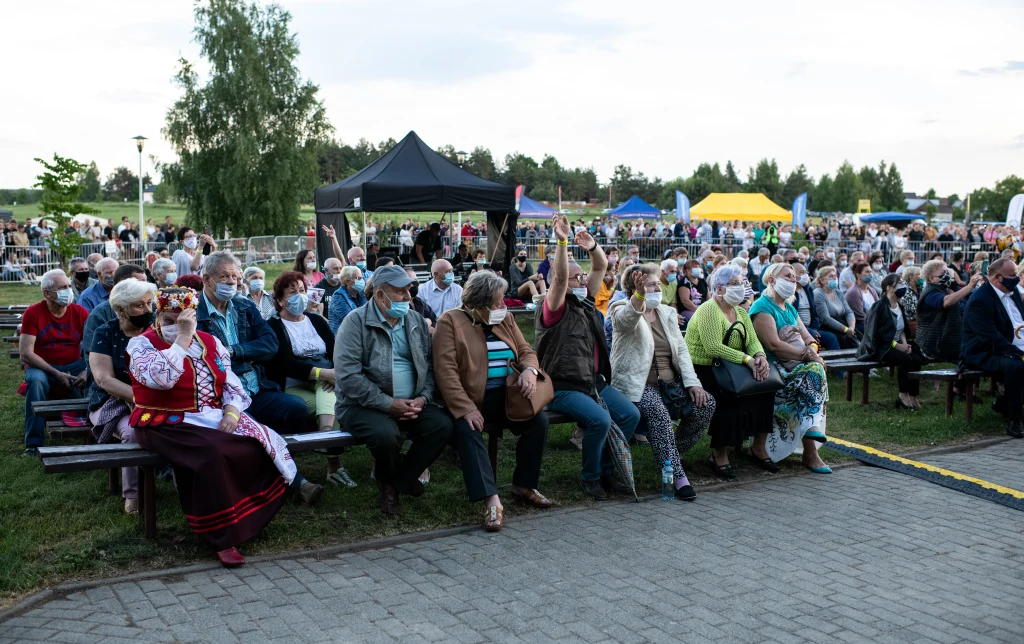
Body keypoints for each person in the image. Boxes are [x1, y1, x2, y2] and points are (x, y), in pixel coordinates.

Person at [127, 287, 322, 568]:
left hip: (207, 416)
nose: (176, 326)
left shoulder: (210, 342)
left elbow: (231, 384)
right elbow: (162, 379)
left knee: (253, 446)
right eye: (169, 320)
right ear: (158, 317)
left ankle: (246, 518)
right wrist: (182, 337)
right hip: (163, 422)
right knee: (212, 454)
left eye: (183, 320)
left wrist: (231, 412)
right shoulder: (141, 345)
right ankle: (220, 535)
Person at [433, 270, 552, 531]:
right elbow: (446, 372)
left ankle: (523, 485)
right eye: (497, 302)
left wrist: (530, 371)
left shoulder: (505, 318)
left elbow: (526, 350)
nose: (502, 307)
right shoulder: (450, 321)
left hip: (508, 396)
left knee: (538, 422)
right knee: (468, 428)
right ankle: (491, 499)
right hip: (472, 400)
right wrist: (466, 409)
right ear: (479, 303)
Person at [334, 265, 455, 516]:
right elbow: (349, 378)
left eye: (409, 290)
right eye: (401, 291)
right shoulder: (354, 322)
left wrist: (423, 398)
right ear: (380, 295)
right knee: (386, 435)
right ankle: (389, 486)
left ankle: (399, 481)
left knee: (442, 425)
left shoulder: (415, 320)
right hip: (362, 405)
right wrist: (388, 404)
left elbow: (429, 366)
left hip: (411, 402)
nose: (408, 297)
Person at [536, 215, 639, 501]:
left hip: (593, 382)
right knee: (600, 420)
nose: (583, 279)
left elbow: (600, 267)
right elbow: (559, 278)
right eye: (577, 277)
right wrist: (562, 242)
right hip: (563, 386)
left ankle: (606, 471)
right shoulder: (553, 307)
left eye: (582, 275)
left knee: (630, 415)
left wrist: (593, 246)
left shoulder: (585, 301)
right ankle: (590, 478)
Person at [609, 264, 715, 500]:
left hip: (670, 384)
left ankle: (669, 454)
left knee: (706, 404)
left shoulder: (666, 312)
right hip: (638, 385)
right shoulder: (620, 307)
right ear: (634, 288)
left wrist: (693, 383)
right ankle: (676, 476)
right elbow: (626, 322)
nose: (657, 288)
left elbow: (681, 350)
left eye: (657, 284)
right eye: (650, 285)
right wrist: (639, 298)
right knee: (658, 414)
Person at [196, 251, 308, 430]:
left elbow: (270, 344)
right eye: (224, 276)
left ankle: (281, 448)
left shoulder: (245, 306)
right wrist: (250, 355)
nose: (232, 282)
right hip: (221, 398)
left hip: (256, 390)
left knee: (296, 407)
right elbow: (206, 359)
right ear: (207, 279)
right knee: (247, 427)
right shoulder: (194, 314)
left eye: (235, 276)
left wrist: (232, 351)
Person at [685, 265, 774, 478]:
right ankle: (720, 453)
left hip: (732, 366)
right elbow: (713, 347)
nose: (740, 287)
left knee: (765, 389)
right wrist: (747, 360)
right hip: (704, 368)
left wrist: (760, 357)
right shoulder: (709, 309)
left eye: (741, 283)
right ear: (719, 288)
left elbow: (752, 341)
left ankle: (757, 447)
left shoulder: (740, 311)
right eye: (734, 284)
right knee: (727, 395)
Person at [750, 263, 831, 471]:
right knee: (814, 372)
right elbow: (774, 345)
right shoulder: (762, 307)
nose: (793, 280)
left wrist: (812, 350)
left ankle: (811, 445)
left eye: (794, 277)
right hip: (773, 370)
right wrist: (808, 356)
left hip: (796, 366)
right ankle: (810, 447)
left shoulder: (790, 308)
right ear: (771, 280)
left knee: (814, 373)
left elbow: (809, 338)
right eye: (787, 276)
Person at [88, 278, 157, 514]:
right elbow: (104, 380)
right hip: (112, 401)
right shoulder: (106, 332)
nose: (148, 310)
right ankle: (133, 495)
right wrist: (143, 399)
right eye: (139, 305)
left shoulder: (155, 330)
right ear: (120, 309)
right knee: (133, 431)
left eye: (149, 303)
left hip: (155, 398)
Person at [19, 269, 90, 456]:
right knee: (36, 381)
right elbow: (26, 354)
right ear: (47, 293)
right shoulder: (33, 313)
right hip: (41, 364)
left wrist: (88, 370)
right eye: (63, 287)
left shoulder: (80, 312)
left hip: (73, 363)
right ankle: (33, 443)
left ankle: (95, 430)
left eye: (69, 286)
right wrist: (56, 373)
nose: (69, 291)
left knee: (98, 376)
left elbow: (94, 349)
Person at [266, 272, 337, 433]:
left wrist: (334, 375)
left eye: (302, 290)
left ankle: (325, 436)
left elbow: (335, 351)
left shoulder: (316, 320)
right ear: (280, 300)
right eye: (293, 292)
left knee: (328, 399)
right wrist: (323, 374)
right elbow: (286, 364)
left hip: (325, 381)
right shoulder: (273, 326)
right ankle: (328, 436)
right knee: (333, 406)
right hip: (293, 384)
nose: (299, 296)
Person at [962, 259, 1024, 437]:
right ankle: (1014, 419)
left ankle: (1005, 403)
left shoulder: (1012, 292)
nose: (1016, 278)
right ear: (997, 277)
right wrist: (1019, 353)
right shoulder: (980, 300)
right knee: (1016, 366)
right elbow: (990, 338)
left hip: (1012, 345)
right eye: (1012, 275)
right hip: (983, 352)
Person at [858, 274, 924, 410]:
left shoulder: (899, 306)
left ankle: (913, 396)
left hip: (896, 344)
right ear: (889, 288)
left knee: (916, 359)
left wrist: (904, 344)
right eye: (899, 283)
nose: (903, 286)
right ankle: (903, 395)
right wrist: (897, 346)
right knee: (905, 359)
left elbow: (902, 329)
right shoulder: (879, 307)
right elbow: (877, 335)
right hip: (880, 348)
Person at [917, 259, 982, 368]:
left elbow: (972, 295)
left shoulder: (948, 287)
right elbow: (946, 302)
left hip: (951, 337)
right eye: (942, 274)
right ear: (931, 278)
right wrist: (969, 285)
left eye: (947, 272)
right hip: (935, 343)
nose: (947, 276)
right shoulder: (929, 293)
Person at [82, 264, 147, 366]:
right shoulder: (99, 315)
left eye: (146, 282)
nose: (145, 287)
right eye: (139, 283)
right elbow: (93, 357)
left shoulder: (151, 310)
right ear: (122, 286)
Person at [812, 265, 858, 349]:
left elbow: (849, 312)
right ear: (821, 280)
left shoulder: (838, 292)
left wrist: (851, 327)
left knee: (858, 332)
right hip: (827, 327)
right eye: (830, 276)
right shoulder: (818, 293)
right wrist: (846, 330)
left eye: (835, 276)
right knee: (841, 338)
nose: (834, 278)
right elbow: (825, 318)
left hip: (842, 323)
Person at [327, 265, 367, 334]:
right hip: (342, 336)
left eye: (362, 278)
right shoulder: (338, 296)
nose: (362, 281)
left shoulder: (360, 293)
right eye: (358, 278)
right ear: (347, 281)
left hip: (357, 333)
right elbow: (351, 319)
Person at [846, 262, 879, 337]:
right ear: (858, 275)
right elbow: (859, 316)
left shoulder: (871, 290)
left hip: (873, 321)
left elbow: (879, 307)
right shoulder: (854, 292)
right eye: (867, 272)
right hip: (862, 325)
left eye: (870, 271)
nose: (870, 274)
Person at [899, 265, 923, 339]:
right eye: (919, 274)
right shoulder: (905, 290)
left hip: (920, 319)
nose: (921, 277)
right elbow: (914, 309)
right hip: (910, 321)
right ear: (911, 277)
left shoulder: (920, 288)